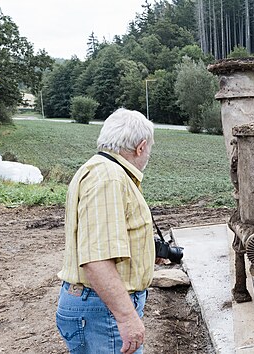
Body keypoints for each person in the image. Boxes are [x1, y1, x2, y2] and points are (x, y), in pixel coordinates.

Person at [56, 108, 155, 354]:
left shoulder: (103, 170)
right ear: (141, 147)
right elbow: (97, 258)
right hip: (104, 311)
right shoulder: (108, 179)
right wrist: (126, 317)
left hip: (100, 306)